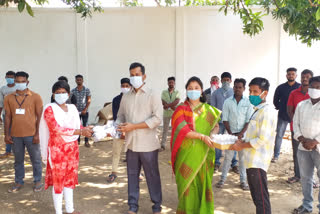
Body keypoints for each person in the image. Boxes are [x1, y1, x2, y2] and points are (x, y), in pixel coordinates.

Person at [40, 80, 93, 214]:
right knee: (59, 182)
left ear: (68, 94)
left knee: (69, 180)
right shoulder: (49, 108)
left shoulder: (73, 108)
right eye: (58, 93)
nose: (61, 95)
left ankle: (70, 210)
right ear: (53, 94)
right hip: (57, 150)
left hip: (72, 149)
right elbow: (56, 129)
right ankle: (59, 212)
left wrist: (86, 129)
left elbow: (77, 126)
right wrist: (80, 132)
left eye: (63, 92)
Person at [116, 62, 163, 214]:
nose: (134, 78)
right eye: (132, 75)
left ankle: (156, 205)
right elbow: (120, 116)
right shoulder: (126, 97)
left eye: (137, 75)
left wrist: (134, 126)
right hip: (131, 144)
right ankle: (132, 206)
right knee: (132, 176)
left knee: (152, 176)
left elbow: (157, 119)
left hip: (148, 144)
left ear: (144, 76)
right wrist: (116, 127)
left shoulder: (152, 94)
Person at [171, 76, 220, 213]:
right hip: (186, 155)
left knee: (203, 185)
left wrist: (212, 135)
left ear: (202, 91)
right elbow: (182, 129)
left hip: (204, 153)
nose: (193, 91)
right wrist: (202, 136)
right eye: (190, 88)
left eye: (196, 88)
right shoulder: (180, 109)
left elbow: (215, 126)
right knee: (187, 187)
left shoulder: (209, 110)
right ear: (186, 91)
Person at [230, 77, 276, 214]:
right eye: (250, 91)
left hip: (258, 161)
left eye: (255, 92)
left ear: (265, 93)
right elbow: (252, 134)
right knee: (256, 196)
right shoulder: (257, 110)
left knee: (261, 198)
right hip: (251, 160)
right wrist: (240, 140)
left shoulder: (267, 112)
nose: (251, 94)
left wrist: (242, 146)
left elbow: (262, 139)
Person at [4, 71, 44, 193]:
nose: (20, 84)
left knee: (36, 159)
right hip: (16, 135)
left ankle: (37, 180)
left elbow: (40, 117)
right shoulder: (8, 98)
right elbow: (8, 117)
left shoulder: (35, 97)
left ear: (27, 82)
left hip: (32, 134)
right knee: (18, 160)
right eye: (18, 81)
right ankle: (18, 181)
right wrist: (7, 134)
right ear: (15, 82)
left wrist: (38, 133)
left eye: (23, 81)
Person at [216, 78, 253, 190]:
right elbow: (225, 119)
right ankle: (222, 179)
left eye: (240, 87)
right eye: (236, 87)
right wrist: (232, 134)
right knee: (228, 157)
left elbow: (248, 120)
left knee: (242, 159)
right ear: (233, 87)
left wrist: (241, 134)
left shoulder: (248, 102)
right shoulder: (227, 102)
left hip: (243, 135)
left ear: (244, 89)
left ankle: (243, 181)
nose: (237, 89)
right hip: (230, 133)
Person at [292, 76, 320, 214]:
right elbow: (295, 124)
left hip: (319, 148)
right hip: (303, 148)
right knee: (305, 178)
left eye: (318, 87)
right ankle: (307, 205)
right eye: (312, 87)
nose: (314, 90)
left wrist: (315, 142)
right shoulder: (301, 105)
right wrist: (303, 139)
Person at [286, 69, 314, 185]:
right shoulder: (293, 93)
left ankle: (311, 178)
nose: (304, 79)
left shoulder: (315, 94)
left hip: (312, 131)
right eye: (303, 77)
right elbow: (289, 110)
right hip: (296, 130)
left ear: (311, 79)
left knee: (313, 154)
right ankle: (297, 175)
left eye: (307, 77)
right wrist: (298, 125)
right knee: (297, 153)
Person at [211, 72, 238, 172]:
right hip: (220, 122)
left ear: (231, 81)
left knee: (233, 142)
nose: (226, 82)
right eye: (224, 80)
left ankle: (234, 163)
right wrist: (215, 122)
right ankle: (217, 163)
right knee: (218, 143)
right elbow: (213, 108)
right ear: (221, 81)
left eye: (228, 80)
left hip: (232, 122)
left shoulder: (234, 92)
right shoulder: (216, 93)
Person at [272, 67, 300, 162]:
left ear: (296, 75)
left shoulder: (299, 88)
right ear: (286, 75)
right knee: (279, 135)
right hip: (282, 115)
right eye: (289, 74)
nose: (291, 75)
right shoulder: (280, 87)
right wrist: (281, 107)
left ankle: (296, 157)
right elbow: (275, 100)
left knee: (295, 137)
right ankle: (276, 156)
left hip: (295, 117)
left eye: (293, 74)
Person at [107, 78, 131, 183]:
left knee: (134, 152)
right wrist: (122, 130)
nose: (125, 87)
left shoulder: (134, 99)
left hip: (132, 128)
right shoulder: (116, 99)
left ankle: (138, 173)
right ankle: (114, 172)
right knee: (116, 151)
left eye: (127, 85)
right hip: (119, 128)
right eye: (123, 85)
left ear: (130, 87)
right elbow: (117, 116)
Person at [71, 74, 91, 148]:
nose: (79, 81)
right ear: (75, 81)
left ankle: (86, 141)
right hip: (76, 112)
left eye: (80, 79)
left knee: (85, 126)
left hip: (85, 111)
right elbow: (71, 101)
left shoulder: (86, 90)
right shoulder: (73, 91)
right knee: (77, 127)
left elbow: (88, 100)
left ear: (82, 80)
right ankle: (77, 141)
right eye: (77, 80)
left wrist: (85, 109)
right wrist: (74, 110)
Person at [160, 76, 180, 151]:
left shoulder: (177, 92)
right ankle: (163, 145)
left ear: (174, 83)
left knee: (175, 130)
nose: (171, 84)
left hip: (175, 114)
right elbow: (163, 101)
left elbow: (177, 101)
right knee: (165, 129)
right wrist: (172, 106)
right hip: (166, 114)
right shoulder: (164, 92)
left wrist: (168, 106)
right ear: (167, 83)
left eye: (172, 82)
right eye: (169, 82)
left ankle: (175, 145)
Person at [0, 71, 17, 158]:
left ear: (14, 78)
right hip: (6, 113)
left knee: (16, 132)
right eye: (8, 77)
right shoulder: (3, 89)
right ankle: (8, 151)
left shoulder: (18, 88)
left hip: (17, 114)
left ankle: (16, 151)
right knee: (7, 132)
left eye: (11, 77)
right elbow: (1, 103)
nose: (9, 79)